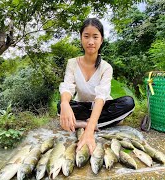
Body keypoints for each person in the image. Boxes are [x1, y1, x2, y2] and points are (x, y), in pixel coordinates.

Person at [57, 18, 135, 155]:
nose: (90, 41)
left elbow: (101, 97)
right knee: (60, 106)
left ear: (101, 40)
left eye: (95, 37)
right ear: (81, 38)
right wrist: (64, 103)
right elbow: (68, 87)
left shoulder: (106, 67)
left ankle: (83, 123)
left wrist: (89, 131)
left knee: (129, 103)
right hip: (83, 106)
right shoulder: (72, 63)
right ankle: (96, 123)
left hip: (103, 107)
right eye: (86, 36)